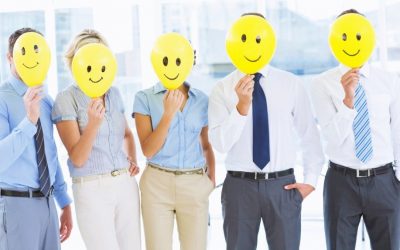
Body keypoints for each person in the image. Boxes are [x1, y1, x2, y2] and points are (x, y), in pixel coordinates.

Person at [208, 12, 325, 250]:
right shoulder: (222, 89)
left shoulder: (291, 83)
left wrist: (310, 181)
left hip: (282, 186)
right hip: (239, 188)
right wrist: (241, 107)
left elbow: (309, 135)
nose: (251, 44)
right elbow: (220, 143)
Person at [310, 9, 400, 250]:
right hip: (342, 181)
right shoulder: (322, 84)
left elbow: (398, 133)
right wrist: (347, 102)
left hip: (384, 180)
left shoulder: (390, 81)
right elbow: (331, 138)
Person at [52, 29, 141, 250]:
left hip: (125, 185)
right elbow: (78, 158)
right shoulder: (66, 99)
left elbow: (127, 135)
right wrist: (93, 124)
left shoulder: (115, 93)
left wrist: (132, 159)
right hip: (92, 189)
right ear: (74, 62)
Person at [0, 27, 72, 250]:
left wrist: (64, 201)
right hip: (16, 205)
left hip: (47, 205)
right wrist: (29, 121)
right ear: (10, 57)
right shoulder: (2, 98)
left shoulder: (46, 99)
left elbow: (48, 154)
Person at [133, 57, 215, 250]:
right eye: (166, 59)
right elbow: (148, 149)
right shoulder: (144, 97)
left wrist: (210, 181)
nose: (173, 65)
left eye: (180, 59)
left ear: (191, 61)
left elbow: (205, 144)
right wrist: (168, 114)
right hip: (156, 184)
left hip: (194, 183)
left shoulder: (202, 100)